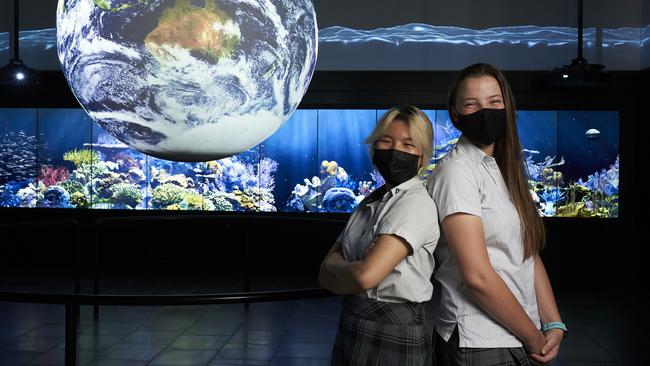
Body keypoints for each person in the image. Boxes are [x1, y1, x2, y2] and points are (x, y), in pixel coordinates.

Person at [427, 63, 566, 365]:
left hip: (516, 333)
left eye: (494, 102)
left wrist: (553, 322)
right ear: (455, 114)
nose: (484, 112)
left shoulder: (502, 169)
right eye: (471, 104)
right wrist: (533, 338)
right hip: (480, 341)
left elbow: (525, 252)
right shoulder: (457, 172)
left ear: (507, 107)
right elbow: (477, 277)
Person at [319, 105, 440, 366]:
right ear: (374, 148)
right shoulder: (370, 201)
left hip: (394, 327)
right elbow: (323, 275)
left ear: (422, 156)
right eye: (386, 141)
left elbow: (364, 275)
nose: (395, 151)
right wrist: (349, 272)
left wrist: (338, 266)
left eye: (408, 145)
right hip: (354, 318)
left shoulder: (414, 203)